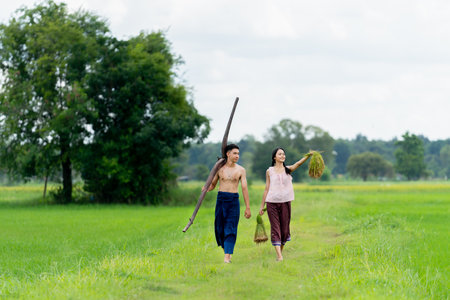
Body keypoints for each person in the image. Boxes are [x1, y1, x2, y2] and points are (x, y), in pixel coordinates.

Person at [259, 147, 312, 261]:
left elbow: (298, 163)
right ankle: (279, 256)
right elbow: (266, 188)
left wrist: (308, 156)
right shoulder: (269, 171)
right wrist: (262, 206)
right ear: (274, 157)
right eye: (280, 154)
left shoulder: (288, 169)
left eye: (283, 154)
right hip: (272, 203)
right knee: (275, 228)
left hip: (286, 203)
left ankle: (279, 253)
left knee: (284, 230)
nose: (282, 156)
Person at [203, 144, 251, 263]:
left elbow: (244, 188)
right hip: (221, 200)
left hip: (233, 200)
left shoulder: (241, 170)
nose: (237, 156)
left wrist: (247, 207)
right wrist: (206, 188)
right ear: (228, 154)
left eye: (238, 154)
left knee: (231, 228)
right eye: (234, 153)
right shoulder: (220, 169)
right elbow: (213, 184)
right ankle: (227, 249)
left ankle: (227, 257)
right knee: (219, 228)